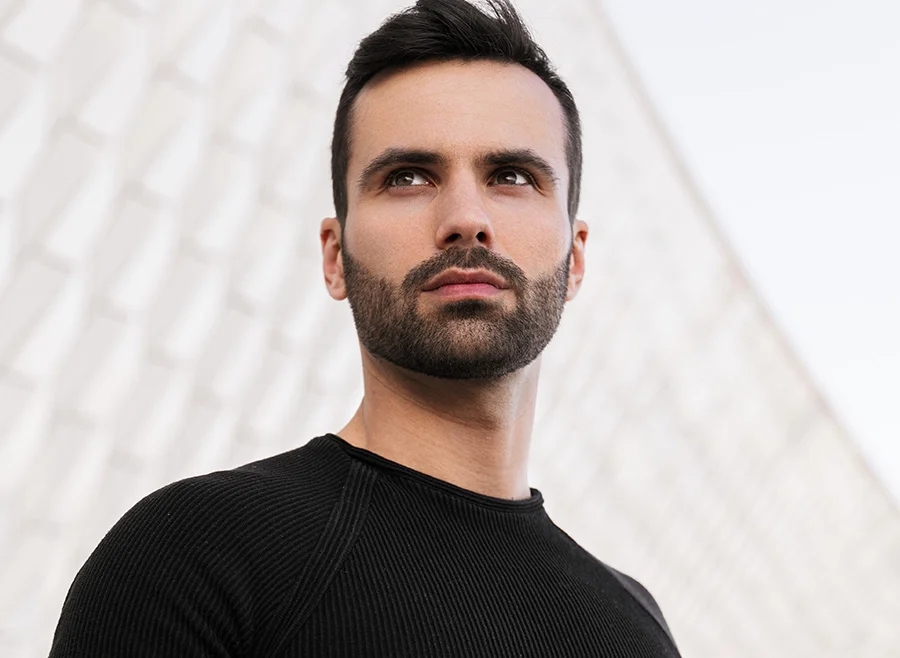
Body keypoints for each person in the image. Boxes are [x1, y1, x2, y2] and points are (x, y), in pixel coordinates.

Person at [50, 0, 680, 655]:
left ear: (575, 258)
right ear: (335, 256)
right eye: (408, 177)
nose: (465, 217)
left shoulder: (634, 625)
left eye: (512, 176)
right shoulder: (194, 556)